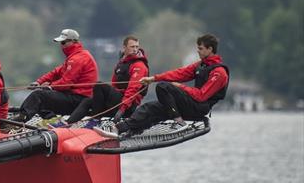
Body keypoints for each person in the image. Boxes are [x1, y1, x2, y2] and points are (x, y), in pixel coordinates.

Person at [95, 33, 229, 139]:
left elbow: (201, 96)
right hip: (185, 105)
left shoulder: (219, 72)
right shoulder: (200, 65)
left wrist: (180, 87)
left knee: (163, 87)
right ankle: (119, 129)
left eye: (200, 49)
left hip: (199, 108)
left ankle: (179, 122)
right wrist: (153, 79)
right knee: (150, 107)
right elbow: (179, 73)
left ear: (210, 49)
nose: (198, 51)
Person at [17, 29, 98, 124]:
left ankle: (21, 119)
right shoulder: (75, 56)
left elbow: (66, 83)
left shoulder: (77, 59)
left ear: (73, 42)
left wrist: (50, 86)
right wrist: (39, 82)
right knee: (44, 93)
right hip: (74, 97)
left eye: (63, 42)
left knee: (38, 95)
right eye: (60, 43)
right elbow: (56, 72)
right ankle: (52, 120)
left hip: (79, 100)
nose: (61, 46)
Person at [67, 35, 149, 124]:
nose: (135, 49)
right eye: (132, 47)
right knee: (88, 100)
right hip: (118, 101)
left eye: (137, 47)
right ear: (124, 47)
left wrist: (122, 109)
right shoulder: (122, 63)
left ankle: (95, 122)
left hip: (127, 107)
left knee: (99, 85)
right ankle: (67, 124)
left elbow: (132, 89)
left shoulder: (139, 65)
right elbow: (114, 85)